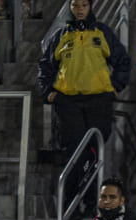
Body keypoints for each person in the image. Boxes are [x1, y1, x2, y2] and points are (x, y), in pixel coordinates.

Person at [38, 0, 130, 175]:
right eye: (75, 5)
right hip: (68, 102)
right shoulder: (61, 35)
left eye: (83, 5)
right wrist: (48, 91)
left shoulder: (102, 32)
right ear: (70, 7)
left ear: (90, 7)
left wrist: (116, 85)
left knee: (95, 147)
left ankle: (91, 198)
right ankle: (70, 197)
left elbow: (122, 61)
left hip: (98, 100)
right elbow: (45, 66)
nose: (79, 10)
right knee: (73, 147)